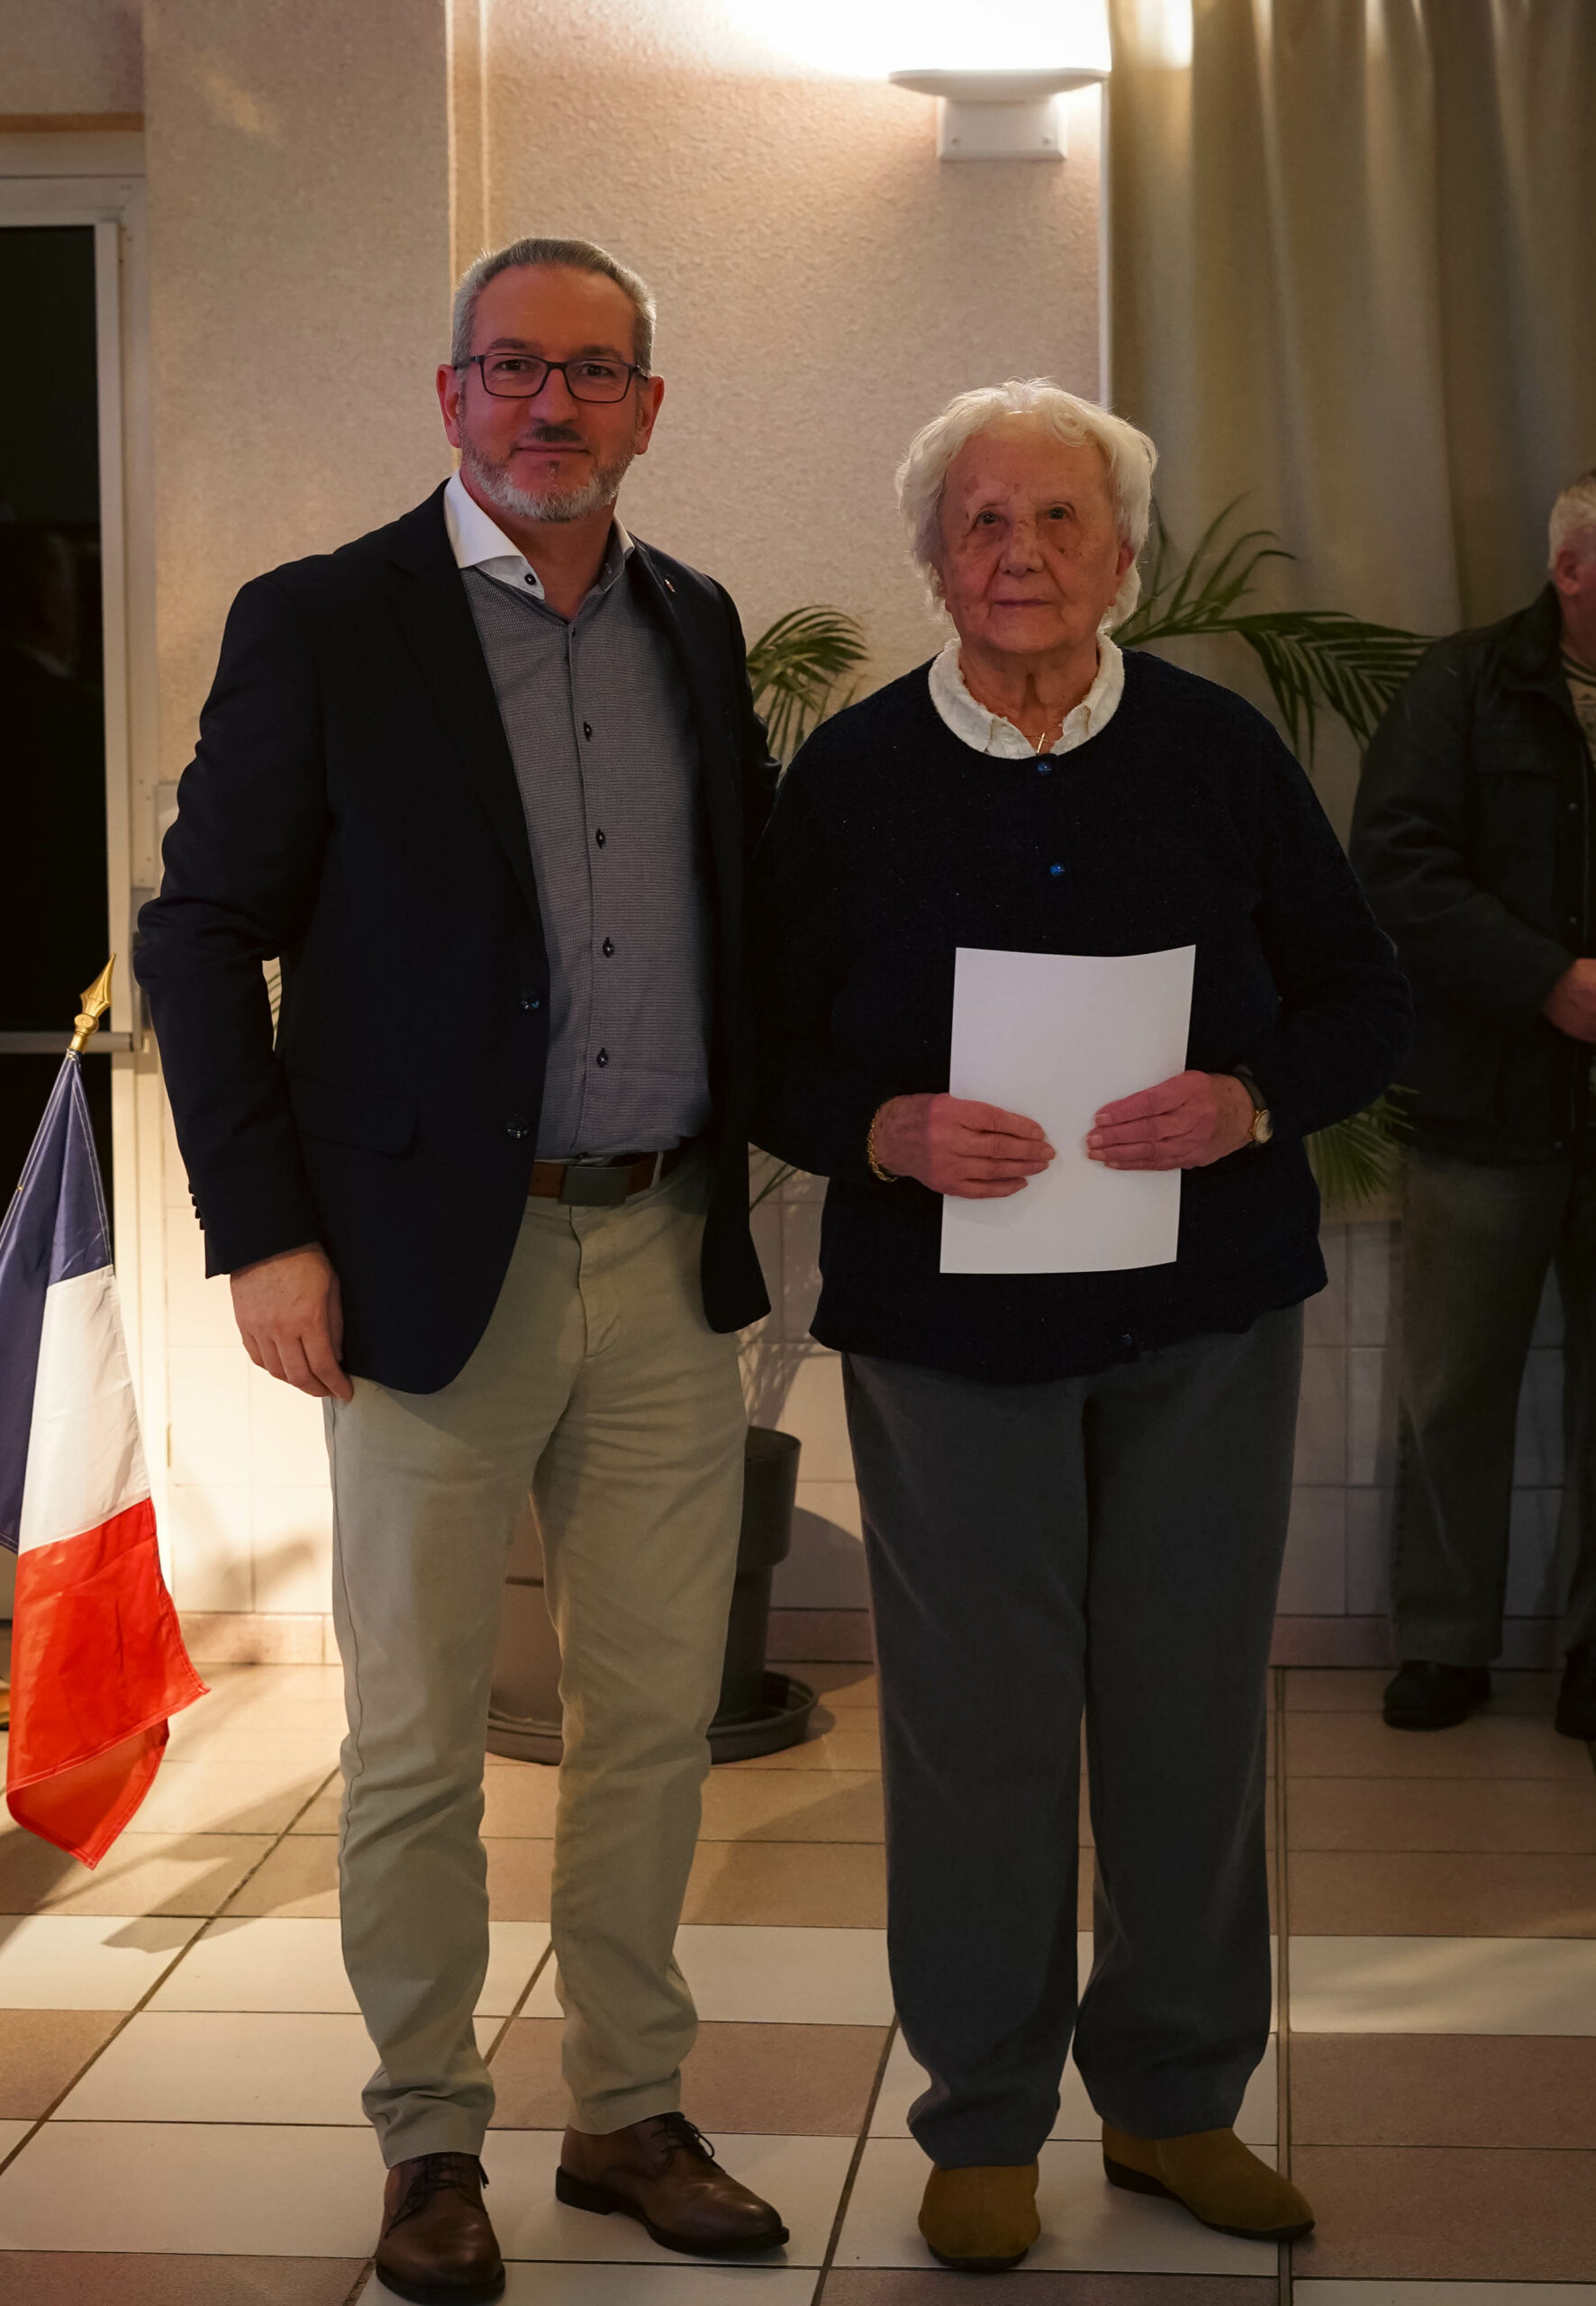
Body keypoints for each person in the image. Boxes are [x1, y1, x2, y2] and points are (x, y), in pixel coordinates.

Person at [136, 236, 787, 2305]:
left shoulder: (695, 623)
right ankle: (429, 2131)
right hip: (427, 1268)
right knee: (418, 1735)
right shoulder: (327, 622)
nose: (549, 405)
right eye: (511, 367)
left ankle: (627, 2108)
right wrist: (265, 1229)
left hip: (663, 1247)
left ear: (648, 408)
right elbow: (197, 931)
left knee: (651, 1719)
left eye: (592, 373)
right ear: (450, 396)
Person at [750, 379, 1410, 2274]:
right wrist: (880, 1128)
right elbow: (764, 1044)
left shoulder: (1217, 751)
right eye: (982, 520)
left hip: (1201, 1320)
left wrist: (1250, 1100)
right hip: (946, 1337)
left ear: (1122, 554)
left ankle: (1175, 2099)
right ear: (931, 555)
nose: (1020, 552)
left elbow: (1362, 999)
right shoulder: (856, 774)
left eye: (1059, 519)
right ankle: (979, 2115)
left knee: (1188, 1714)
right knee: (976, 1729)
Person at [1352, 471, 1596, 1737]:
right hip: (1482, 1103)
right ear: (1570, 569)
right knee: (1452, 1391)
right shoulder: (1460, 685)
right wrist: (1547, 980)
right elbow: (1396, 863)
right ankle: (1445, 1644)